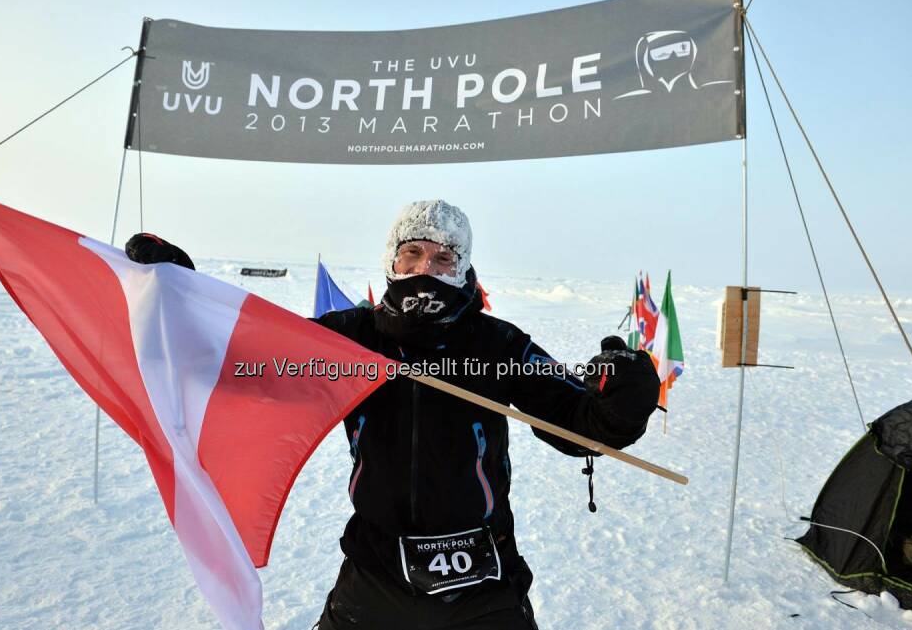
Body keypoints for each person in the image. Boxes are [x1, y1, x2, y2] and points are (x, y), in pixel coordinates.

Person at [126, 199, 661, 629]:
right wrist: (185, 297)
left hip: (483, 576)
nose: (425, 268)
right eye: (413, 254)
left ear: (464, 267)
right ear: (392, 260)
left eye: (443, 258)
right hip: (376, 568)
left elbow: (579, 422)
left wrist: (622, 398)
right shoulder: (349, 338)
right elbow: (252, 355)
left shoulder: (495, 343)